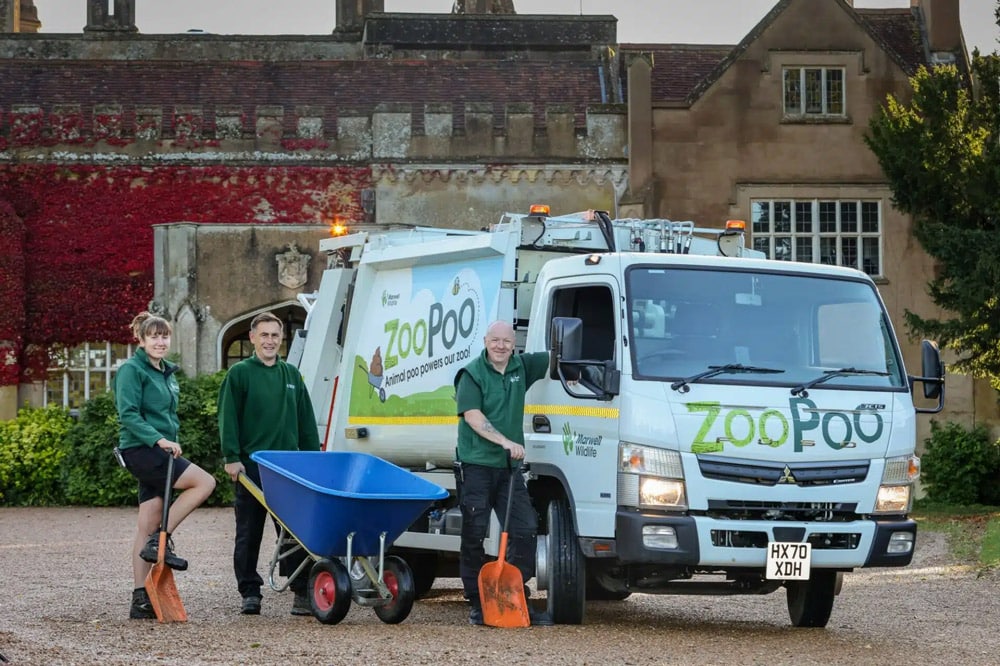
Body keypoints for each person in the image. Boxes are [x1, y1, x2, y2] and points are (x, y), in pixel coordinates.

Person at [115, 312, 217, 620]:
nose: (160, 341)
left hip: (159, 450)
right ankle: (161, 538)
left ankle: (140, 599)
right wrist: (159, 440)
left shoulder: (166, 372)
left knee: (147, 521)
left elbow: (167, 415)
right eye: (154, 336)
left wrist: (167, 440)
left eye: (164, 336)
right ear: (141, 339)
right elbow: (128, 415)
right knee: (205, 482)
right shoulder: (132, 370)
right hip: (142, 449)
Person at [218, 311, 321, 616]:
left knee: (293, 533)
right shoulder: (239, 374)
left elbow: (306, 423)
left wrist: (311, 462)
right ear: (252, 338)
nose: (270, 341)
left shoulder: (292, 376)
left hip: (287, 468)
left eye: (275, 335)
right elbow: (228, 417)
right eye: (264, 335)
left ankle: (301, 590)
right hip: (252, 467)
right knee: (249, 532)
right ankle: (250, 592)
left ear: (282, 339)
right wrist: (231, 457)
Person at [453, 319, 554, 627]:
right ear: (485, 341)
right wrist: (505, 442)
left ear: (514, 345)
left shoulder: (522, 367)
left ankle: (513, 596)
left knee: (525, 528)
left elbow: (560, 354)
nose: (500, 346)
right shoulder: (472, 374)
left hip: (508, 469)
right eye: (495, 340)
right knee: (474, 532)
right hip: (476, 465)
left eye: (507, 341)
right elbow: (473, 417)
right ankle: (477, 603)